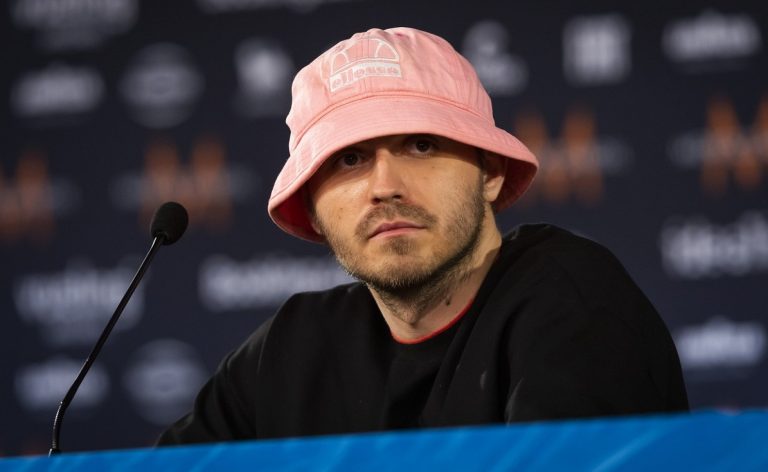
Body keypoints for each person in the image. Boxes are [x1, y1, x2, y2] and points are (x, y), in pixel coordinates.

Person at [158, 27, 688, 445]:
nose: (384, 186)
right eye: (349, 159)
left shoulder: (572, 299)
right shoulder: (290, 349)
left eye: (421, 146)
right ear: (313, 209)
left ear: (490, 172)